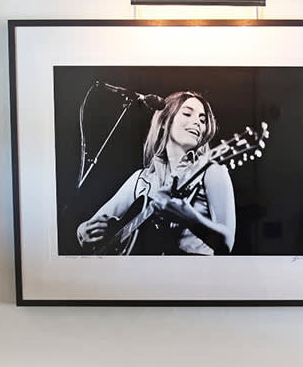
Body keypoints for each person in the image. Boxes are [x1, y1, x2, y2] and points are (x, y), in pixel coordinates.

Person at [76, 91, 236, 255]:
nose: (197, 122)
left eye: (202, 120)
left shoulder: (212, 172)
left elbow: (227, 242)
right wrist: (82, 231)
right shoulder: (140, 179)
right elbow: (94, 223)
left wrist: (190, 218)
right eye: (187, 113)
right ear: (166, 120)